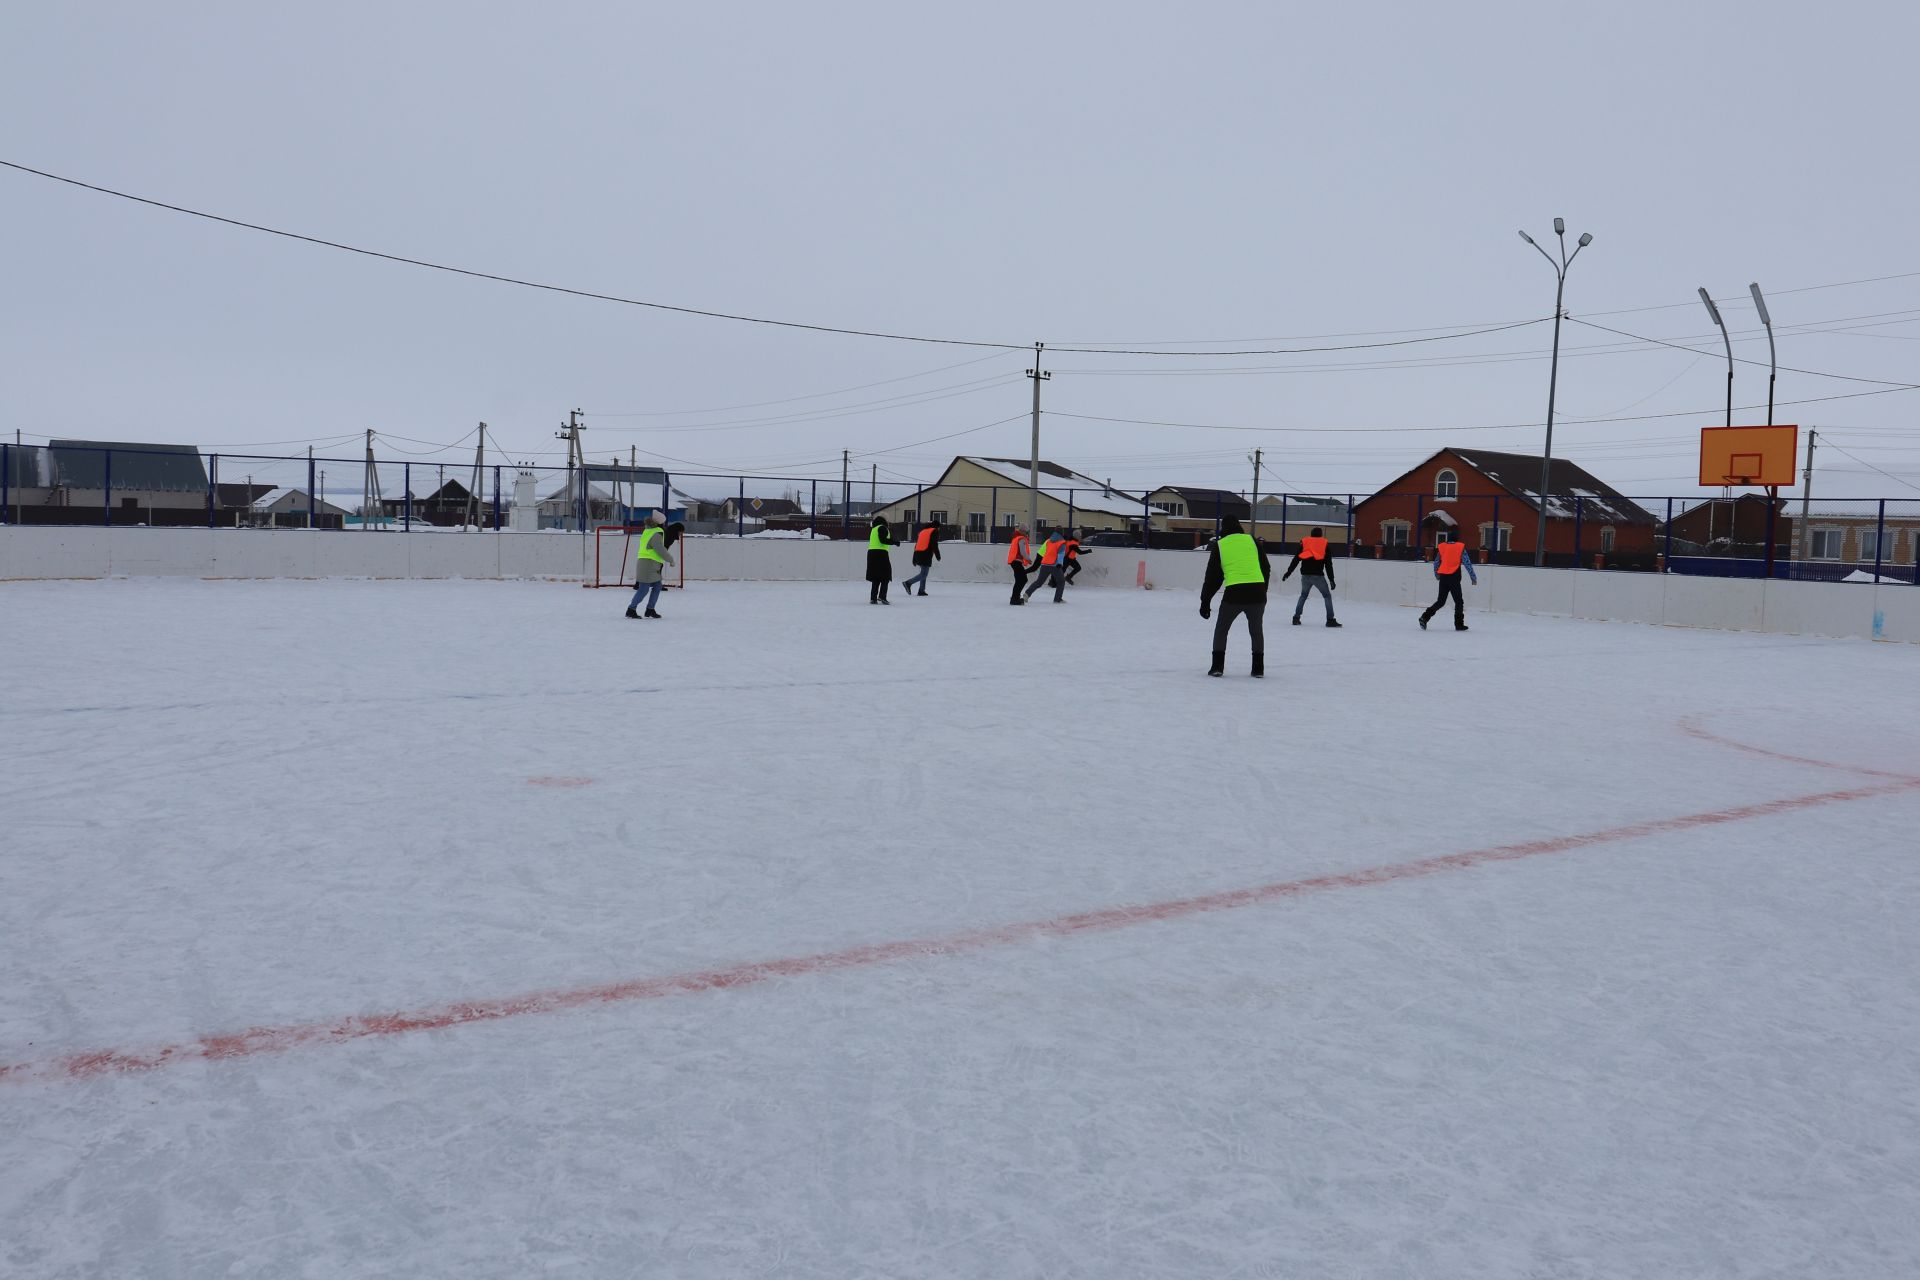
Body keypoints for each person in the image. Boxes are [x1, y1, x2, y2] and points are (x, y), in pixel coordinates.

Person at [1199, 516, 1271, 677]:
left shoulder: (1221, 545)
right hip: (1257, 592)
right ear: (1239, 526)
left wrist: (1205, 601)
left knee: (1222, 630)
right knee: (1256, 631)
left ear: (1223, 528)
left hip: (1234, 594)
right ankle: (1258, 669)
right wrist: (1262, 589)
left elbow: (1212, 577)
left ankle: (1217, 667)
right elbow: (1266, 567)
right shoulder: (1252, 540)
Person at [1280, 526, 1340, 627]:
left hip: (1305, 575)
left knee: (1303, 596)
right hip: (1318, 576)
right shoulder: (1324, 545)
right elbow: (1328, 564)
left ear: (1311, 534)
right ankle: (1330, 620)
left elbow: (1296, 559)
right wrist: (1331, 579)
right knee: (1327, 596)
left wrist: (1288, 573)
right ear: (1321, 535)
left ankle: (1296, 618)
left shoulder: (1305, 543)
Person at [1419, 534, 1477, 630]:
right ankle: (1459, 624)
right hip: (1454, 578)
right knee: (1458, 602)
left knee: (1440, 601)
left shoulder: (1442, 547)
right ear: (1456, 540)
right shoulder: (1460, 547)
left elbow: (1436, 562)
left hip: (1444, 578)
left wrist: (1437, 575)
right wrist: (1473, 577)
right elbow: (1467, 563)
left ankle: (1424, 617)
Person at [625, 511, 675, 619]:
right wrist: (670, 559)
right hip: (648, 564)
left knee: (657, 586)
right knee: (643, 589)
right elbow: (660, 549)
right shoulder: (657, 533)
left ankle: (650, 609)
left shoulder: (648, 530)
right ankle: (631, 609)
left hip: (650, 563)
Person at [1024, 530, 1069, 603]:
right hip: (1055, 565)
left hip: (1044, 564)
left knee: (1039, 582)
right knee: (1061, 582)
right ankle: (1057, 599)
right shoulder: (1061, 543)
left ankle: (1027, 593)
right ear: (1062, 534)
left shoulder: (1049, 541)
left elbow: (1046, 551)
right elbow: (1061, 554)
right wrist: (1060, 564)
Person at [902, 520, 941, 596]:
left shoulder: (923, 531)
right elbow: (934, 544)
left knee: (923, 572)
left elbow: (917, 545)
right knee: (924, 574)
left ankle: (921, 590)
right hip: (926, 553)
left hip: (918, 553)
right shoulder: (934, 531)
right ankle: (908, 583)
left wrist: (914, 558)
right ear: (937, 526)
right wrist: (938, 555)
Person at [865, 515, 897, 604]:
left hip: (871, 554)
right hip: (881, 554)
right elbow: (883, 540)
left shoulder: (873, 530)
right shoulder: (882, 528)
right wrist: (894, 542)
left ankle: (873, 598)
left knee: (876, 577)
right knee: (885, 576)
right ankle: (882, 597)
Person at [1005, 525, 1033, 605]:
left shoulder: (1016, 538)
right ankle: (1014, 599)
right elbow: (1022, 551)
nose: (1027, 533)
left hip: (1014, 561)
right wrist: (1028, 559)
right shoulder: (1021, 539)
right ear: (1024, 531)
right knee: (1023, 580)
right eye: (1027, 531)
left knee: (1019, 580)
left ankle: (1015, 597)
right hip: (1016, 561)